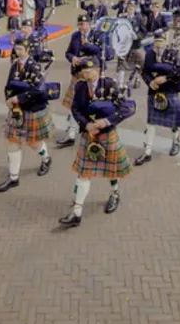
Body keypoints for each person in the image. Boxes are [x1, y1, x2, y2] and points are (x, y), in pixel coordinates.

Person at [58, 54, 135, 227]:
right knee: (83, 172)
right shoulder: (80, 86)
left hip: (107, 133)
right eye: (83, 70)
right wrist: (86, 125)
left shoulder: (109, 84)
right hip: (89, 134)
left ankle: (114, 193)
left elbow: (124, 108)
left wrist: (105, 122)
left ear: (98, 70)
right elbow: (75, 108)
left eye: (89, 70)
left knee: (111, 169)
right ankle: (77, 211)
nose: (85, 73)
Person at [0, 36, 54, 192]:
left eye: (21, 49)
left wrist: (19, 98)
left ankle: (46, 158)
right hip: (17, 110)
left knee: (34, 142)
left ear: (28, 50)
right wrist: (9, 99)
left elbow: (39, 90)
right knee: (12, 142)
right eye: (16, 49)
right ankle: (13, 177)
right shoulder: (15, 66)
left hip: (31, 109)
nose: (18, 52)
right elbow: (8, 85)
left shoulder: (34, 66)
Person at [134, 32, 180, 165]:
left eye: (161, 41)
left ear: (166, 41)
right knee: (150, 123)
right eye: (157, 42)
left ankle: (176, 140)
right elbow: (145, 71)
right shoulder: (149, 54)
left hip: (169, 90)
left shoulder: (174, 53)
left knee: (173, 121)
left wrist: (166, 78)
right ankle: (147, 152)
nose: (159, 44)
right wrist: (150, 82)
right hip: (154, 91)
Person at [57, 14, 95, 147]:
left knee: (93, 106)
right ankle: (71, 135)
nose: (81, 27)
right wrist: (73, 58)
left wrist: (85, 61)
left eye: (83, 24)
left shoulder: (97, 35)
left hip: (92, 75)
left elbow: (104, 54)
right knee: (73, 105)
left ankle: (93, 135)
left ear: (89, 24)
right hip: (77, 75)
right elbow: (68, 52)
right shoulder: (75, 36)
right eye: (79, 24)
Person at [116, 1, 145, 90]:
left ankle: (137, 79)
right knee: (121, 62)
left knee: (138, 63)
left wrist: (137, 36)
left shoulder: (139, 19)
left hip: (134, 45)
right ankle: (120, 83)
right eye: (129, 8)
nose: (130, 10)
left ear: (135, 9)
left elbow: (144, 32)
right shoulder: (123, 18)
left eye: (132, 8)